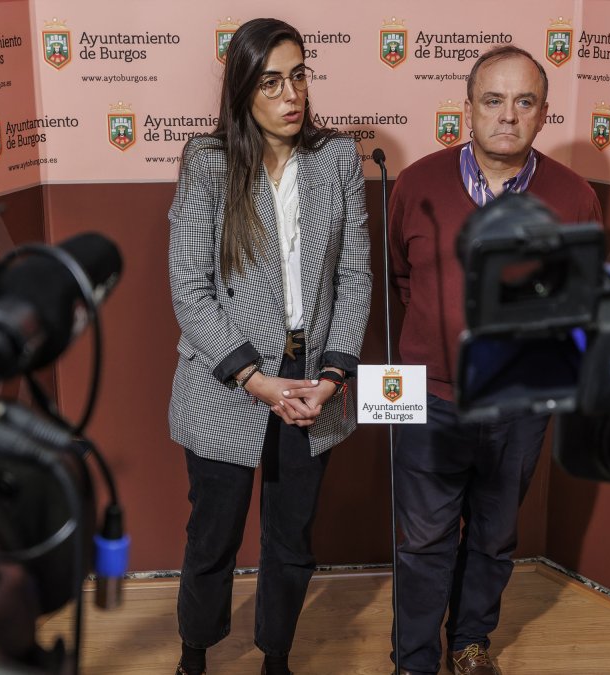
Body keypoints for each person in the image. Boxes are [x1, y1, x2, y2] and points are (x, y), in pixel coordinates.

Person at [387, 44, 602, 675]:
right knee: (422, 540)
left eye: (524, 101)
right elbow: (403, 277)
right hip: (426, 396)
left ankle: (470, 642)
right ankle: (414, 660)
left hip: (520, 402)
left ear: (543, 114)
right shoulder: (416, 184)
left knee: (493, 535)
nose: (508, 115)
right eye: (493, 100)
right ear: (467, 110)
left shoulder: (574, 197)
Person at [167, 17, 371, 675]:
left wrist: (333, 376)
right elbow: (189, 289)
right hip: (228, 378)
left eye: (299, 76)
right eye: (272, 82)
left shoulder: (338, 158)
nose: (292, 95)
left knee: (291, 538)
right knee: (212, 536)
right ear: (243, 90)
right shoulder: (208, 161)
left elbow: (354, 276)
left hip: (313, 377)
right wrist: (254, 378)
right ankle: (194, 654)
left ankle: (276, 656)